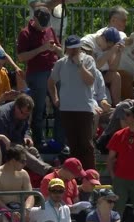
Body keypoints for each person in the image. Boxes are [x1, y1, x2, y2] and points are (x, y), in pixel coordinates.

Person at [17, 6, 64, 149]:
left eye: (46, 24)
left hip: (54, 71)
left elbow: (61, 52)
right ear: (34, 19)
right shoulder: (25, 33)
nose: (44, 28)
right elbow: (21, 57)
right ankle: (39, 141)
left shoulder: (50, 31)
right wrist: (41, 49)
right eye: (41, 24)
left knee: (60, 106)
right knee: (38, 108)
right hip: (37, 73)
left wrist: (55, 49)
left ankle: (59, 140)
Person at [48, 35, 97, 169]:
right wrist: (55, 98)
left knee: (86, 144)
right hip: (67, 109)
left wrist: (80, 65)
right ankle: (77, 175)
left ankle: (91, 174)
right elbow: (51, 82)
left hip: (84, 109)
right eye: (71, 49)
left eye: (76, 48)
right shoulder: (61, 63)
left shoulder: (88, 60)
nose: (74, 51)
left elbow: (90, 81)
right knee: (73, 144)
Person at [0, 94, 53, 177]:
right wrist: (20, 146)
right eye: (23, 113)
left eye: (27, 114)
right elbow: (3, 142)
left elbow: (26, 128)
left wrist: (27, 137)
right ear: (16, 106)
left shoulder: (24, 112)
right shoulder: (3, 115)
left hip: (18, 143)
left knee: (33, 150)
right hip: (4, 147)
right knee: (21, 151)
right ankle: (49, 171)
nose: (25, 116)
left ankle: (45, 176)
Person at [81, 27, 124, 104]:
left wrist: (118, 53)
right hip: (89, 75)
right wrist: (111, 51)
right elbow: (95, 66)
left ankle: (118, 106)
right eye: (108, 47)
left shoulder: (108, 48)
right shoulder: (87, 42)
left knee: (116, 75)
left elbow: (113, 69)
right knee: (106, 101)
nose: (108, 49)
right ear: (103, 38)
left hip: (102, 74)